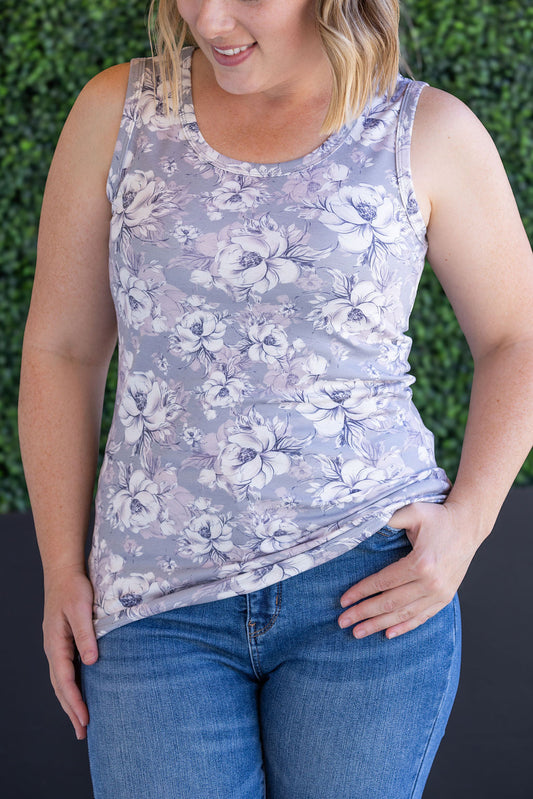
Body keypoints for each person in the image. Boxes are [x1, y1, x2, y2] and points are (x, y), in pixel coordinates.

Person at [18, 1, 533, 797]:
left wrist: (466, 524)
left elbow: (517, 337)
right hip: (154, 598)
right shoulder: (119, 112)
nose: (210, 19)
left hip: (365, 587)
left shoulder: (425, 130)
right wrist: (60, 564)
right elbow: (63, 349)